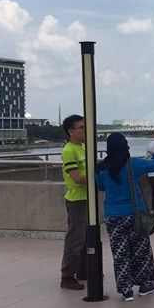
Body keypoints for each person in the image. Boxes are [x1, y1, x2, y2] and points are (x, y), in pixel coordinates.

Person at [95, 133, 154, 301]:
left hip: (113, 216)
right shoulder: (134, 164)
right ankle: (145, 285)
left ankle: (126, 290)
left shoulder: (101, 168)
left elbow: (101, 187)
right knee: (141, 250)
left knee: (120, 253)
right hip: (135, 214)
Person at [60, 114, 87, 290]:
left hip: (87, 199)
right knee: (75, 239)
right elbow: (76, 178)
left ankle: (83, 270)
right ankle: (67, 276)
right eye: (81, 128)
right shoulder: (69, 151)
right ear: (71, 131)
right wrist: (97, 177)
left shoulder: (84, 147)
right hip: (77, 201)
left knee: (87, 238)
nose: (85, 130)